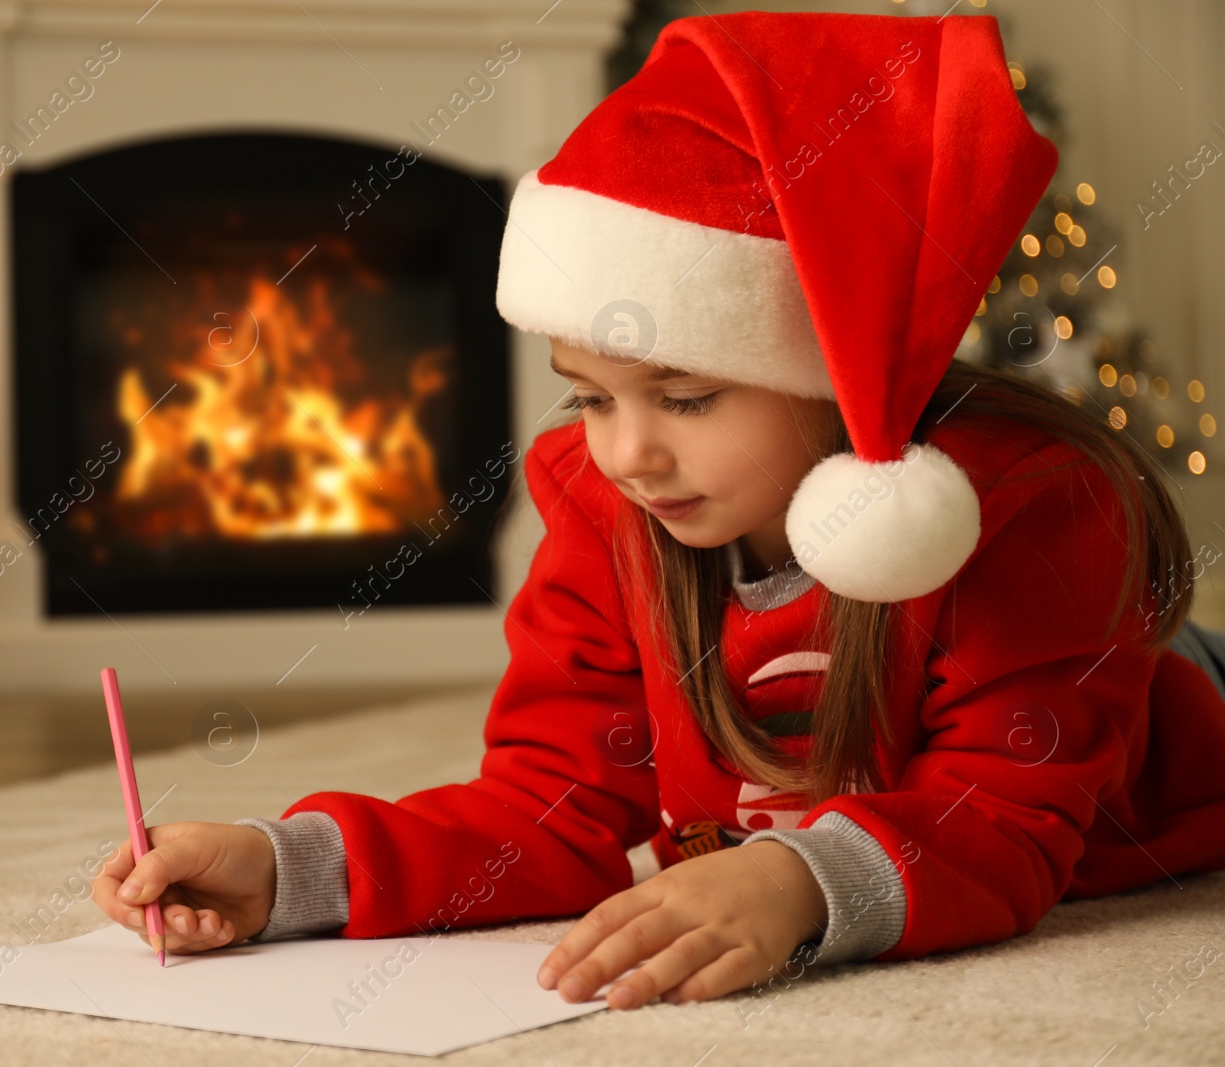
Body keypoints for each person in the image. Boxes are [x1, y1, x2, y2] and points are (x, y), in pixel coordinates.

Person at [90, 11, 1225, 1010]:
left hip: (1155, 713)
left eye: (686, 395)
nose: (628, 450)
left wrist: (797, 880)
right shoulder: (608, 510)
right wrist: (290, 870)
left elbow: (1008, 819)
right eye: (588, 396)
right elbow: (549, 801)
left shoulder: (1029, 505)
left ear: (841, 374)